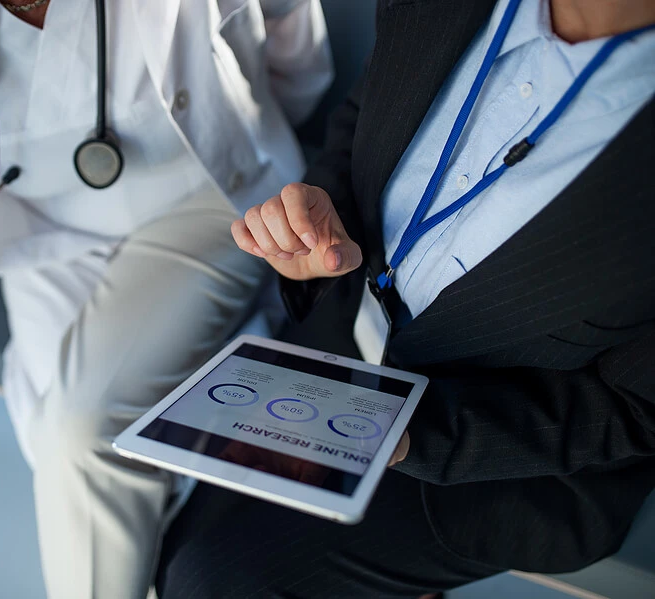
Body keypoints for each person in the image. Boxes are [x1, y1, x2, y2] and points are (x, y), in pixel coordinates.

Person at [0, 0, 333, 596]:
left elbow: (294, 47)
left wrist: (274, 143)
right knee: (65, 450)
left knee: (84, 434)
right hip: (43, 232)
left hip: (203, 197)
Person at [156, 0, 655, 596]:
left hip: (500, 458)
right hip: (342, 342)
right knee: (173, 530)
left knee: (211, 579)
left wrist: (418, 433)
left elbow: (636, 408)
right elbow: (365, 117)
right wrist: (317, 225)